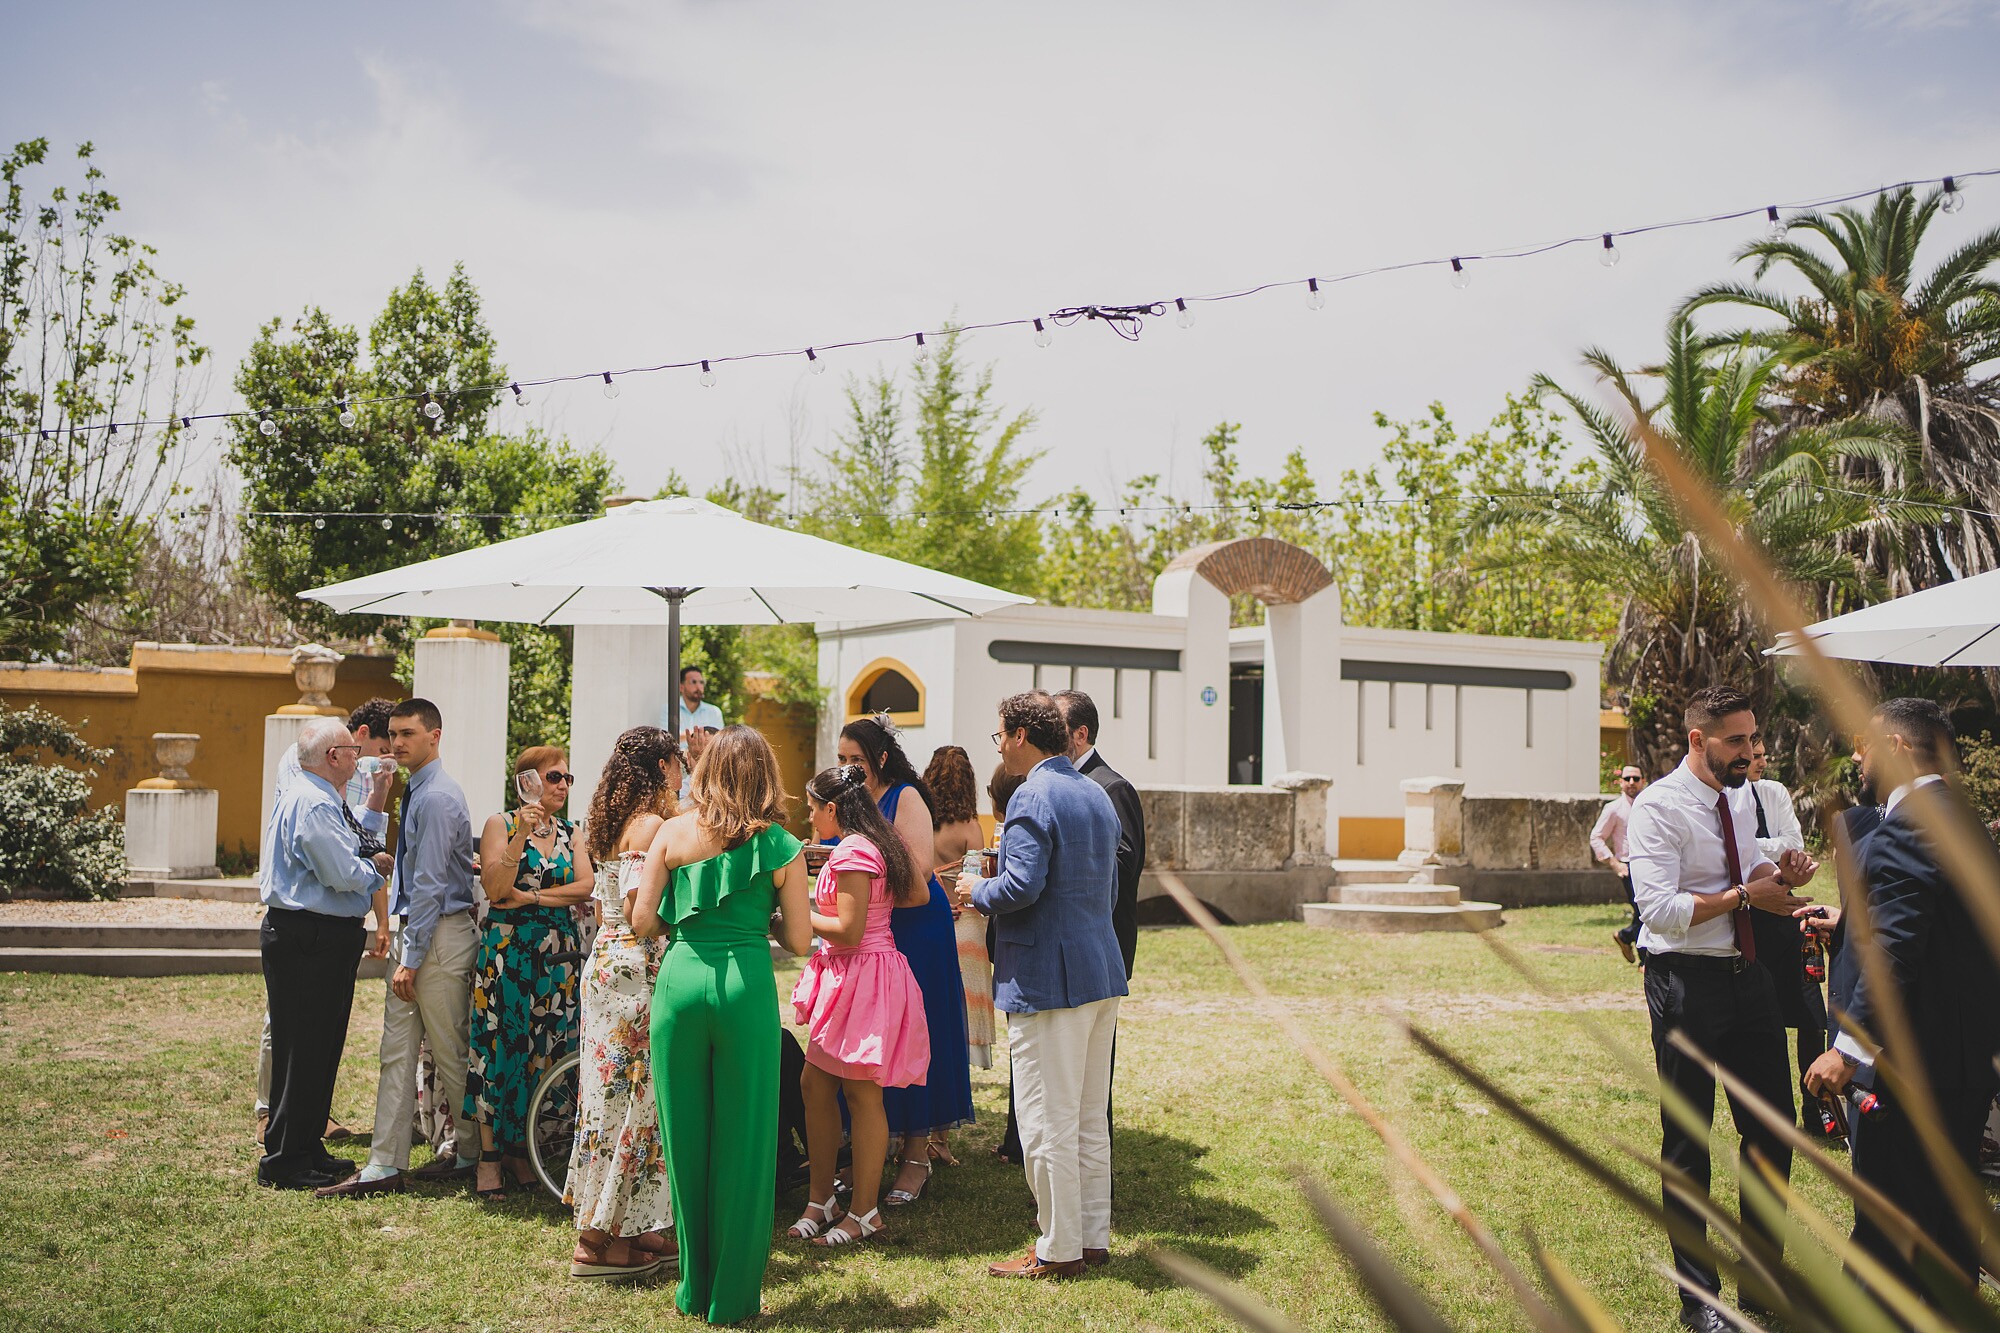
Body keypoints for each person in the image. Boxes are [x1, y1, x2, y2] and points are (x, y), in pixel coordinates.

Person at [1625, 685, 1820, 1331]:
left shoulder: (1740, 796)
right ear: (1697, 739)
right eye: (1735, 740)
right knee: (1689, 1141)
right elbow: (1661, 911)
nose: (1749, 750)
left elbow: (1753, 865)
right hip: (1684, 983)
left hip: (1749, 977)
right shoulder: (1658, 806)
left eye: (1752, 737)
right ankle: (1699, 1302)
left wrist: (1782, 873)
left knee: (1771, 1129)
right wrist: (1744, 896)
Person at [1800, 699, 2000, 1296]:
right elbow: (1945, 930)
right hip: (1961, 1065)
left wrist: (1848, 1050)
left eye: (1865, 746)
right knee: (1948, 1227)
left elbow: (1895, 949)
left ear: (1898, 749)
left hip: (1913, 1068)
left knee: (1888, 1235)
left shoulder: (1911, 824)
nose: (1857, 758)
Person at [630, 726, 814, 1325]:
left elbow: (641, 922)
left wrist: (686, 920)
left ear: (706, 771)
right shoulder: (782, 845)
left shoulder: (670, 832)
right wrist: (761, 918)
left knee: (686, 1139)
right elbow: (800, 939)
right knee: (747, 1140)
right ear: (766, 776)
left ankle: (694, 1287)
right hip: (745, 986)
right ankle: (732, 1298)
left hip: (681, 983)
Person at [952, 690, 1128, 1280]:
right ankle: (1091, 1237)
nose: (999, 746)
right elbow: (1105, 890)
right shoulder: (1095, 792)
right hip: (1100, 968)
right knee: (1086, 1119)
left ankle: (1057, 1247)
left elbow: (1021, 886)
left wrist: (974, 891)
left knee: (1044, 1119)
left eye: (1000, 735)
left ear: (1022, 735)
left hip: (1049, 979)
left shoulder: (1032, 793)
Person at [318, 699, 482, 1198]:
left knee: (451, 1052)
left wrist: (409, 960)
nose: (397, 743)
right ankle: (384, 1163)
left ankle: (476, 1153)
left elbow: (430, 885)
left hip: (439, 937)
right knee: (396, 1052)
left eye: (408, 733)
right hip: (420, 934)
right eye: (393, 734)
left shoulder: (437, 797)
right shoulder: (418, 790)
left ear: (435, 736)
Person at [788, 765, 931, 1247]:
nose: (810, 818)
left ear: (832, 808)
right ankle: (822, 1199)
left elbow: (848, 931)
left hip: (863, 976)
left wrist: (796, 913)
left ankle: (865, 1211)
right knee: (815, 1084)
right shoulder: (877, 842)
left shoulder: (853, 849)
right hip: (862, 974)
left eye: (812, 808)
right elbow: (918, 892)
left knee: (862, 1094)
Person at [837, 715, 976, 1204]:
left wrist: (859, 859)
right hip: (870, 929)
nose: (848, 768)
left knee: (915, 1030)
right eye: (841, 759)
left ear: (880, 758)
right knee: (868, 1036)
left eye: (856, 759)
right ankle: (870, 1145)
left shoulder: (907, 797)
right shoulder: (847, 799)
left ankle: (916, 1152)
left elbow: (919, 869)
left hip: (916, 928)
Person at [257, 718, 393, 1190]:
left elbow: (357, 843)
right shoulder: (313, 802)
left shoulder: (321, 796)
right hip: (309, 935)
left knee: (319, 1045)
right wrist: (376, 870)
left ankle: (304, 1143)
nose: (360, 755)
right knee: (304, 1047)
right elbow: (342, 873)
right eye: (353, 749)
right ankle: (286, 1160)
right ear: (333, 756)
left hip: (320, 934)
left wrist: (376, 812)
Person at [568, 727, 683, 1281]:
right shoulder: (651, 826)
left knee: (609, 1100)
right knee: (633, 1103)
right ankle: (597, 1242)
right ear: (662, 767)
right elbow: (643, 914)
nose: (683, 775)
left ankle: (631, 1225)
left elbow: (603, 909)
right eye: (679, 764)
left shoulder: (613, 824)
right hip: (636, 970)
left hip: (605, 963)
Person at [462, 746, 594, 1199]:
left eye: (567, 778)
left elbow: (585, 886)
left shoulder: (572, 832)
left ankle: (520, 1150)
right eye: (554, 776)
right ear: (528, 782)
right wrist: (520, 835)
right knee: (497, 1045)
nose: (563, 785)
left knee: (544, 1047)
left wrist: (532, 898)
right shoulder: (499, 824)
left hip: (556, 954)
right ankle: (490, 1158)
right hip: (507, 953)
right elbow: (496, 888)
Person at [1744, 740, 1828, 1129]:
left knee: (1811, 1017)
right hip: (1747, 918)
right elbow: (1732, 851)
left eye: (1763, 754)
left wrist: (1753, 849)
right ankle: (1773, 1109)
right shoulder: (1724, 797)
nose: (1761, 761)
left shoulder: (1774, 792)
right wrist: (1767, 851)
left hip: (1787, 914)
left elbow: (1794, 845)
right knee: (1765, 1020)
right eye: (1754, 755)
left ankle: (1816, 1108)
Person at [1053, 691, 1145, 981]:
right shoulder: (1056, 784)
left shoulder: (1112, 787)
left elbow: (1124, 864)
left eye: (1056, 728)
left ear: (1080, 734)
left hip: (1103, 944)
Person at [926, 744, 995, 1074]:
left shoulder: (921, 824)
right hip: (965, 921)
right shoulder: (970, 828)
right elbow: (976, 881)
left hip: (932, 916)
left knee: (936, 998)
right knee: (967, 999)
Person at [1592, 764, 1646, 964]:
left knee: (1645, 910)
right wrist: (1615, 864)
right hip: (1627, 866)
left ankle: (1625, 936)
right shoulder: (1613, 808)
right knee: (1643, 911)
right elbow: (1596, 837)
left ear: (1643, 781)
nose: (1632, 782)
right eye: (1627, 778)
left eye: (1636, 778)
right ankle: (1644, 961)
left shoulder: (1648, 803)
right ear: (1621, 782)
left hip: (1648, 865)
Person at [663, 666, 726, 787]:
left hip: (707, 764)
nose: (699, 686)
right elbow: (666, 739)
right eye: (693, 682)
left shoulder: (714, 711)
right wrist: (701, 735)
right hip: (676, 764)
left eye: (701, 682)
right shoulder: (669, 709)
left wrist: (686, 736)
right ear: (681, 687)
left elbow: (719, 741)